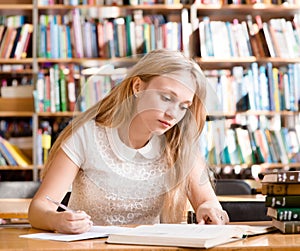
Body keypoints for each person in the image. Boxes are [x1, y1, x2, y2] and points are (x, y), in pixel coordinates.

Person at [28, 49, 229, 234]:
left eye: (184, 106)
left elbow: (207, 201)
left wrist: (210, 209)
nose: (173, 114)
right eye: (166, 98)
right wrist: (56, 220)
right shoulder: (85, 136)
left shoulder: (178, 143)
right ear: (138, 87)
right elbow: (38, 209)